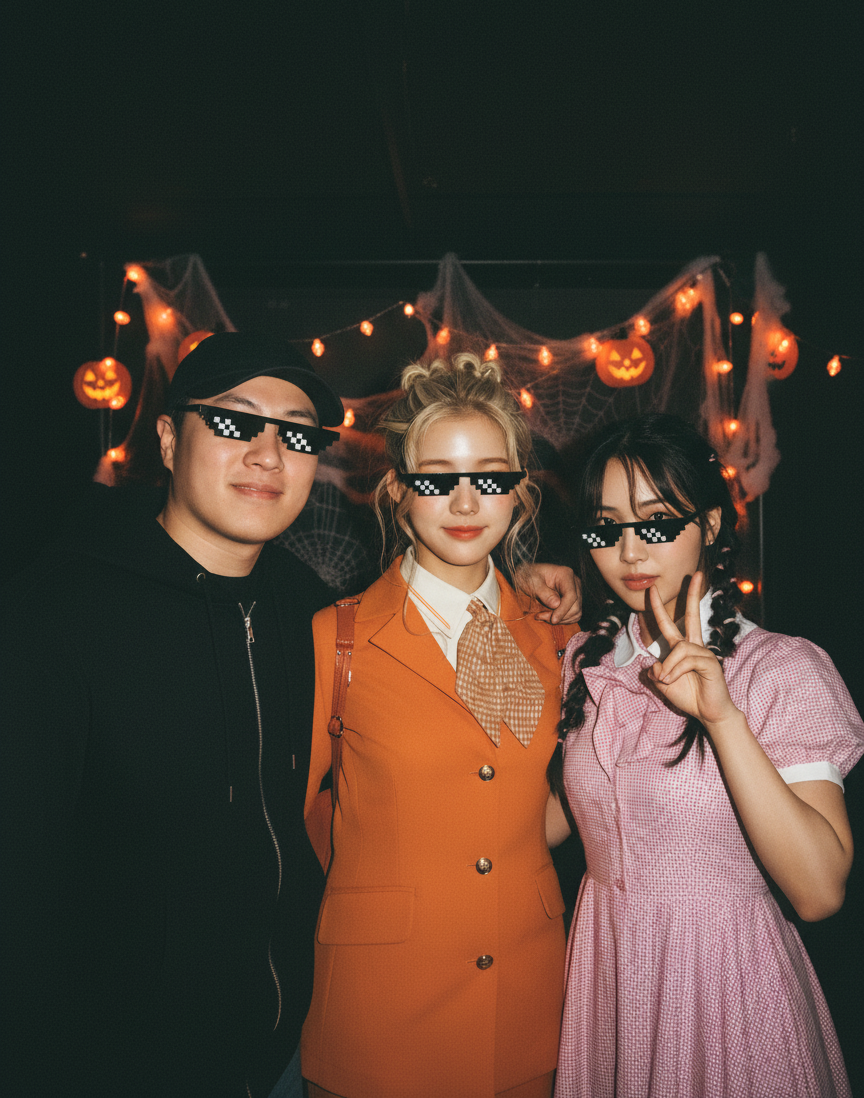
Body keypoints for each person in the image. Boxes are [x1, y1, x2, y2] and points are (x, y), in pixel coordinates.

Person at [1, 331, 579, 1098]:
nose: (268, 456)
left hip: (375, 1027)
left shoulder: (309, 606)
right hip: (131, 1048)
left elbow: (532, 798)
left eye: (297, 435)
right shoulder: (64, 615)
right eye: (235, 422)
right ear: (167, 439)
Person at [546, 412, 864, 1098]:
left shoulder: (779, 669)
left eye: (656, 523)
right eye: (605, 528)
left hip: (728, 990)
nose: (629, 551)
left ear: (711, 524)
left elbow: (819, 892)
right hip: (609, 983)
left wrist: (722, 720)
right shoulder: (583, 662)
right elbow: (548, 823)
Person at [300, 353, 580, 1098]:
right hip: (379, 1010)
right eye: (436, 478)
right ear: (398, 490)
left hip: (524, 1005)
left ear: (519, 492)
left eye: (489, 477)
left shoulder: (554, 638)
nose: (464, 502)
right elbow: (287, 822)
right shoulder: (337, 638)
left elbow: (545, 799)